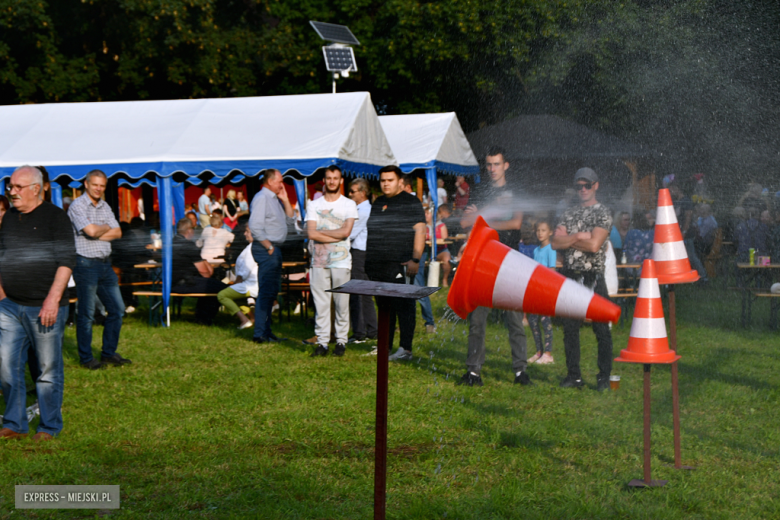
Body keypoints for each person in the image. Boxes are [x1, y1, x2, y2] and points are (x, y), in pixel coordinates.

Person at [0, 166, 76, 440]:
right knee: (6, 366)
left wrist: (52, 300)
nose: (12, 192)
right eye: (11, 186)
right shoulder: (8, 217)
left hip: (44, 306)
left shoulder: (55, 218)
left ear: (36, 188)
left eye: (18, 187)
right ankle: (15, 423)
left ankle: (49, 426)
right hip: (10, 306)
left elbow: (67, 261)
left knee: (46, 370)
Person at [456, 146, 530, 387]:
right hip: (483, 261)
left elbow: (516, 222)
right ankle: (473, 372)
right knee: (477, 320)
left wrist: (485, 218)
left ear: (505, 165)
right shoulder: (480, 191)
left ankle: (520, 372)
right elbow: (466, 221)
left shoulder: (515, 191)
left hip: (510, 260)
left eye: (496, 164)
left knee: (515, 320)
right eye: (489, 164)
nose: (492, 169)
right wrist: (488, 213)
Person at [551, 167, 614, 391]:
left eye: (587, 185)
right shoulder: (568, 213)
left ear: (596, 185)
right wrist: (579, 236)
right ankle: (573, 376)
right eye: (579, 186)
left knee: (601, 329)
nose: (583, 189)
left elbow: (595, 245)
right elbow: (554, 243)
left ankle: (604, 377)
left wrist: (569, 238)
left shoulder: (603, 212)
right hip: (570, 276)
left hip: (593, 276)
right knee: (569, 328)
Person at [68, 169, 131, 370]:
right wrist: (101, 229)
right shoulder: (77, 206)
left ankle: (108, 353)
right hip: (85, 264)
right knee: (86, 314)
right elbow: (90, 231)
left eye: (102, 185)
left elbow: (118, 232)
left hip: (105, 263)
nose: (98, 189)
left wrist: (96, 231)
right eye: (95, 184)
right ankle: (86, 358)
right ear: (86, 184)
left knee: (117, 309)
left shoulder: (105, 206)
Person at [365, 166, 425, 362]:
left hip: (401, 264)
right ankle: (385, 346)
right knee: (384, 307)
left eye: (390, 180)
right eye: (383, 180)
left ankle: (405, 349)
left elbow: (420, 231)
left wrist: (415, 259)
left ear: (400, 181)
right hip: (378, 265)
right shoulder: (378, 202)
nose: (385, 184)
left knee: (404, 306)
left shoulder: (411, 202)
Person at [306, 166, 358, 357]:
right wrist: (334, 235)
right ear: (325, 180)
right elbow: (311, 233)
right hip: (318, 261)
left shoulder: (348, 204)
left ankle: (341, 341)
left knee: (342, 303)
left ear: (341, 180)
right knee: (321, 304)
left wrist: (321, 234)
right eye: (329, 178)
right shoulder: (314, 204)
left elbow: (346, 232)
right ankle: (322, 342)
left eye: (335, 178)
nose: (332, 181)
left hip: (341, 261)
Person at [248, 169, 294, 343]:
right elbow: (255, 226)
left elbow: (290, 220)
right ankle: (260, 334)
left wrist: (286, 200)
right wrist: (269, 246)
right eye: (279, 181)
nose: (282, 184)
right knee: (267, 292)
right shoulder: (262, 198)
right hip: (266, 248)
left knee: (271, 291)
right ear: (269, 181)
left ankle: (266, 331)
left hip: (273, 248)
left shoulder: (274, 199)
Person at [171, 218, 227, 325]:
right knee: (220, 288)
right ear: (189, 230)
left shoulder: (170, 243)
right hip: (185, 284)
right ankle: (203, 318)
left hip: (170, 283)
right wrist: (205, 261)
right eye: (193, 228)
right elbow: (205, 273)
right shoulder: (188, 246)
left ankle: (202, 316)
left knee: (209, 285)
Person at [347, 178, 378, 344]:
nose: (350, 194)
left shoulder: (363, 211)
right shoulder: (363, 209)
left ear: (362, 193)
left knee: (357, 292)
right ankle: (371, 329)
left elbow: (349, 233)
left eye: (353, 191)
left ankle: (359, 332)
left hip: (359, 253)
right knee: (365, 293)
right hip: (363, 253)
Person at [527, 219, 556, 365]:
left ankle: (548, 353)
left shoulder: (551, 249)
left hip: (545, 291)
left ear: (550, 232)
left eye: (543, 230)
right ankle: (539, 352)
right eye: (538, 230)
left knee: (545, 322)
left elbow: (552, 271)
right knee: (533, 320)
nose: (540, 233)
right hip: (535, 290)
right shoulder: (536, 250)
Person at [217, 225, 258, 329]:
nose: (245, 234)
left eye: (247, 231)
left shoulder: (252, 248)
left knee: (222, 295)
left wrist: (237, 282)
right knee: (236, 298)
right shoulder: (254, 246)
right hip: (250, 283)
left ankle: (243, 320)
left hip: (249, 284)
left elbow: (246, 270)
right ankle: (253, 318)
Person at [426, 206, 452, 288]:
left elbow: (445, 239)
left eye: (427, 213)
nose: (425, 215)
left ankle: (444, 279)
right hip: (427, 251)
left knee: (447, 259)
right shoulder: (422, 226)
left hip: (440, 250)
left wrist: (432, 238)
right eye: (424, 213)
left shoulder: (441, 225)